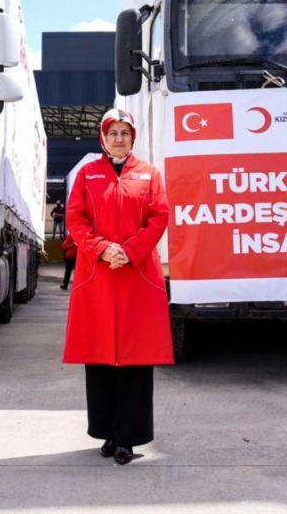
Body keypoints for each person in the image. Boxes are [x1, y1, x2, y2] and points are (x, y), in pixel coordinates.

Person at [62, 108, 173, 466]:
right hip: (99, 274)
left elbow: (159, 216)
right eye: (113, 133)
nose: (119, 139)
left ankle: (128, 438)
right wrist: (103, 249)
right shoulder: (87, 174)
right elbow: (76, 218)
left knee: (135, 358)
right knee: (100, 356)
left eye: (125, 133)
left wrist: (130, 251)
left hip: (136, 276)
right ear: (104, 137)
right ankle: (108, 432)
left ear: (132, 137)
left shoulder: (149, 174)